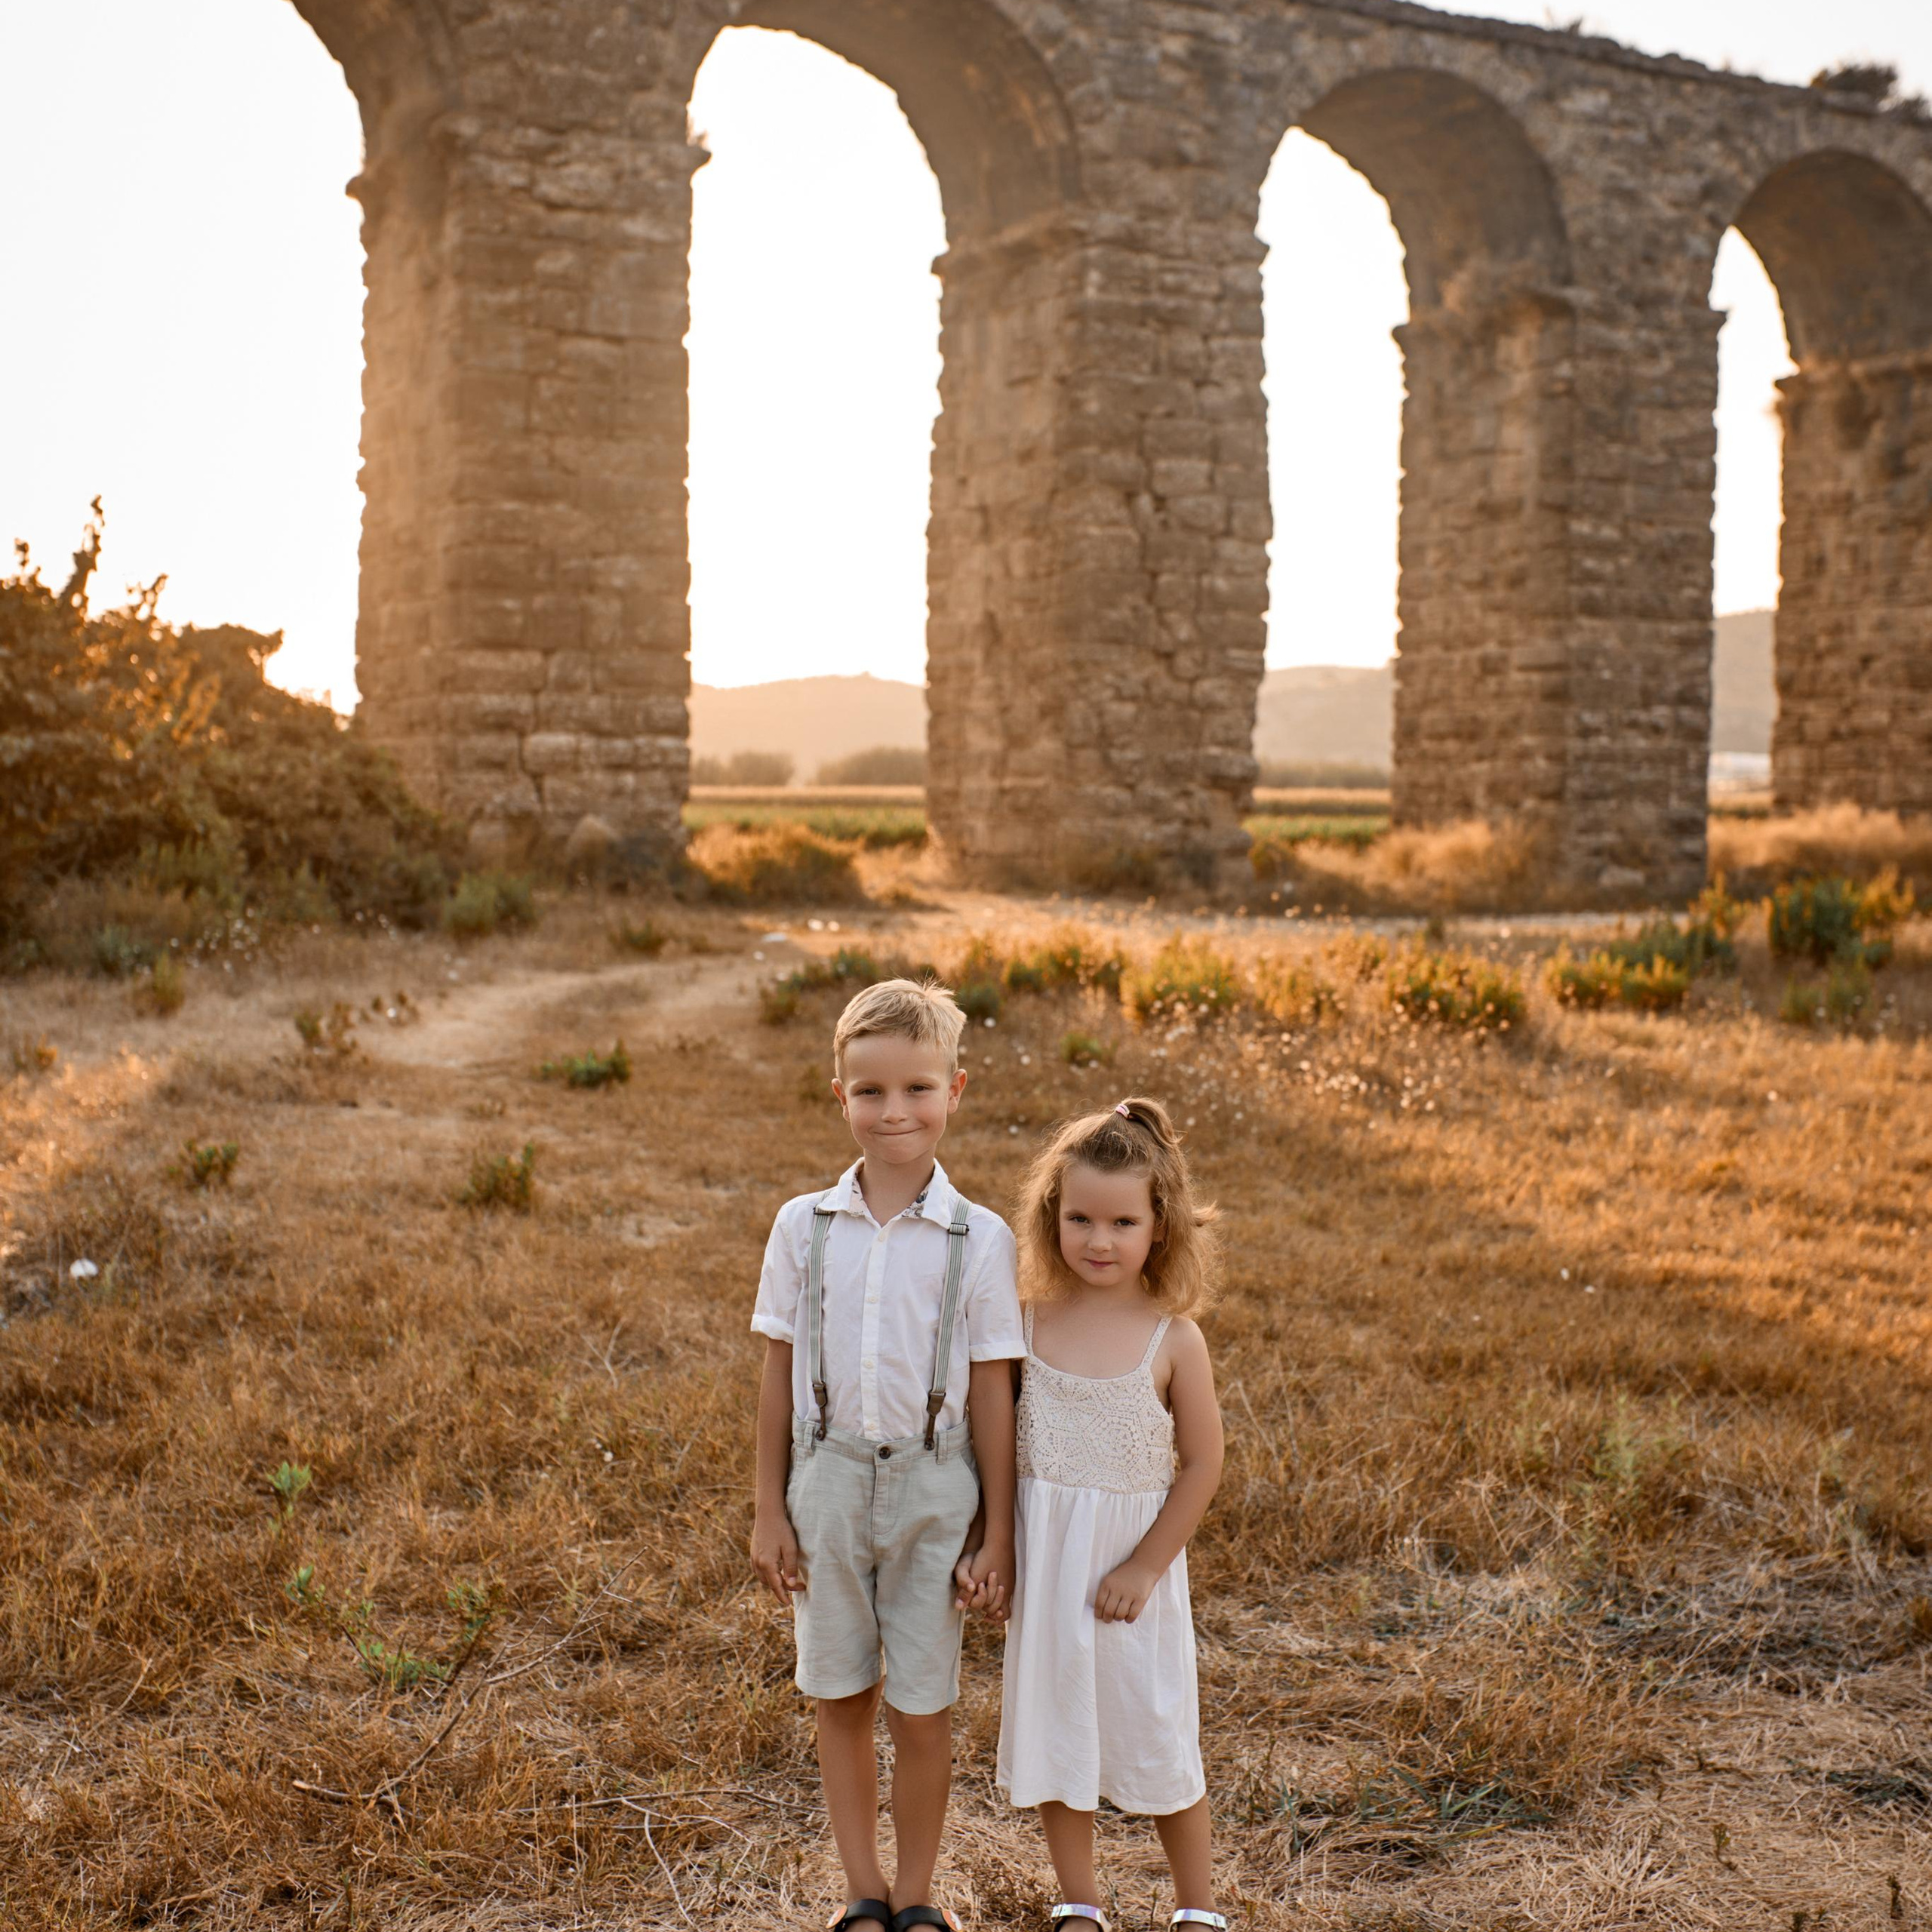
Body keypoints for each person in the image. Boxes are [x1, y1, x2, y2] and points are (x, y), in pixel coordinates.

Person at [749, 977, 1024, 1932]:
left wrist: (996, 1526)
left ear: (956, 1089)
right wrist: (768, 1505)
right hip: (823, 1476)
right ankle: (862, 1892)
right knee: (840, 1691)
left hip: (936, 1482)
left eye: (916, 1088)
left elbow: (994, 1387)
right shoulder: (802, 1224)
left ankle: (916, 1896)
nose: (893, 1110)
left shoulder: (979, 1237)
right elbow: (778, 1371)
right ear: (840, 1097)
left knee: (922, 1704)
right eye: (870, 1091)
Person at [998, 1097, 1226, 1932]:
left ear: (1159, 1226)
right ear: (1050, 1217)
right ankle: (1078, 1900)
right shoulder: (1023, 1324)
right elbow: (994, 1450)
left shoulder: (1171, 1339)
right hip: (1049, 1572)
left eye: (1122, 1221)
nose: (1099, 1240)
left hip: (1133, 1573)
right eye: (1080, 1218)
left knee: (1156, 1727)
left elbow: (1203, 1463)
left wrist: (1143, 1566)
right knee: (1060, 1734)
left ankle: (1197, 1905)